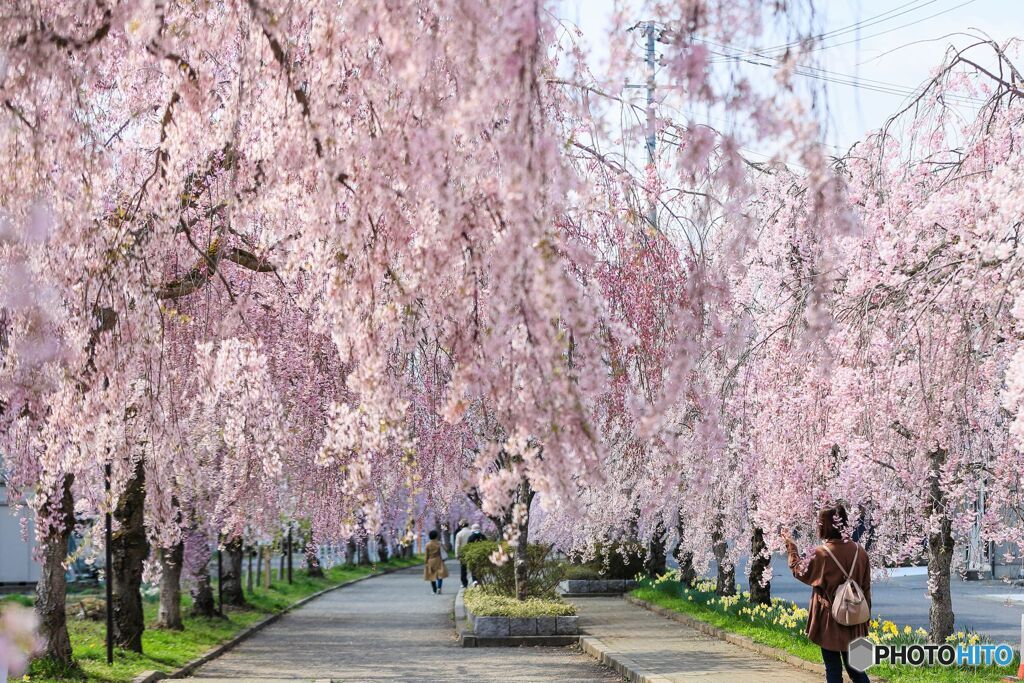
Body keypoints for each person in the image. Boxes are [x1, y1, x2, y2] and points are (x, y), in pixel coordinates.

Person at [783, 505, 871, 683]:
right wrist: (864, 621)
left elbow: (799, 570)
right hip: (855, 620)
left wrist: (791, 546)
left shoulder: (822, 554)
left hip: (830, 620)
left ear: (824, 526)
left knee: (832, 668)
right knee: (857, 670)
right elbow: (866, 589)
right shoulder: (860, 552)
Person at [423, 529, 449, 594]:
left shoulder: (427, 545)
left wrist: (426, 562)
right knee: (440, 575)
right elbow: (445, 549)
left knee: (432, 575)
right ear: (436, 536)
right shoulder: (439, 543)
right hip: (439, 560)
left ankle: (434, 590)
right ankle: (439, 588)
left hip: (431, 561)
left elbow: (426, 554)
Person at [454, 520, 473, 588]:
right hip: (472, 552)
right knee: (473, 568)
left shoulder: (459, 534)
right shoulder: (471, 532)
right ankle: (475, 581)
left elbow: (457, 545)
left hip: (463, 553)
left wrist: (457, 554)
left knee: (463, 569)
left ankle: (464, 583)